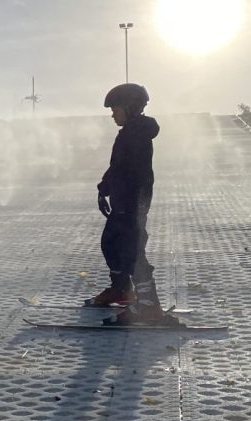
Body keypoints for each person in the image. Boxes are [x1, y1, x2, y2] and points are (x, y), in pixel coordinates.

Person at [89, 83, 178, 326]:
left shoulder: (137, 135)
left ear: (130, 106)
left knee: (132, 250)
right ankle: (121, 290)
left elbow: (134, 172)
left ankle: (149, 306)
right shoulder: (129, 132)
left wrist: (129, 201)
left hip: (132, 201)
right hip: (122, 199)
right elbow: (117, 167)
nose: (112, 114)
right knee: (111, 243)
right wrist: (104, 189)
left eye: (115, 108)